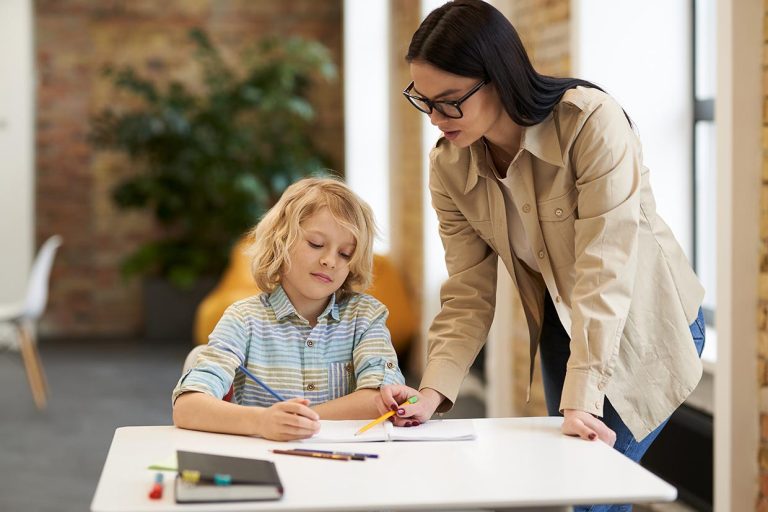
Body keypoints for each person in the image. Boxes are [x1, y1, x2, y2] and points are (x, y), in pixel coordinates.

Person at [380, 1, 705, 508]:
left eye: (450, 102)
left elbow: (605, 268)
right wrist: (433, 393)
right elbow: (468, 289)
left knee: (593, 494)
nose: (436, 120)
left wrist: (581, 399)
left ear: (498, 77)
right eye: (425, 102)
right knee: (577, 492)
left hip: (645, 323)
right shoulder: (448, 167)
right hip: (563, 328)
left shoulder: (590, 124)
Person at [173, 177, 405, 441]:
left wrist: (296, 421)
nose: (330, 260)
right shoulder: (243, 319)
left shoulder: (366, 317)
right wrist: (262, 422)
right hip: (266, 465)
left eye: (345, 254)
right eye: (316, 244)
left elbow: (382, 399)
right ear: (280, 242)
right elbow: (187, 408)